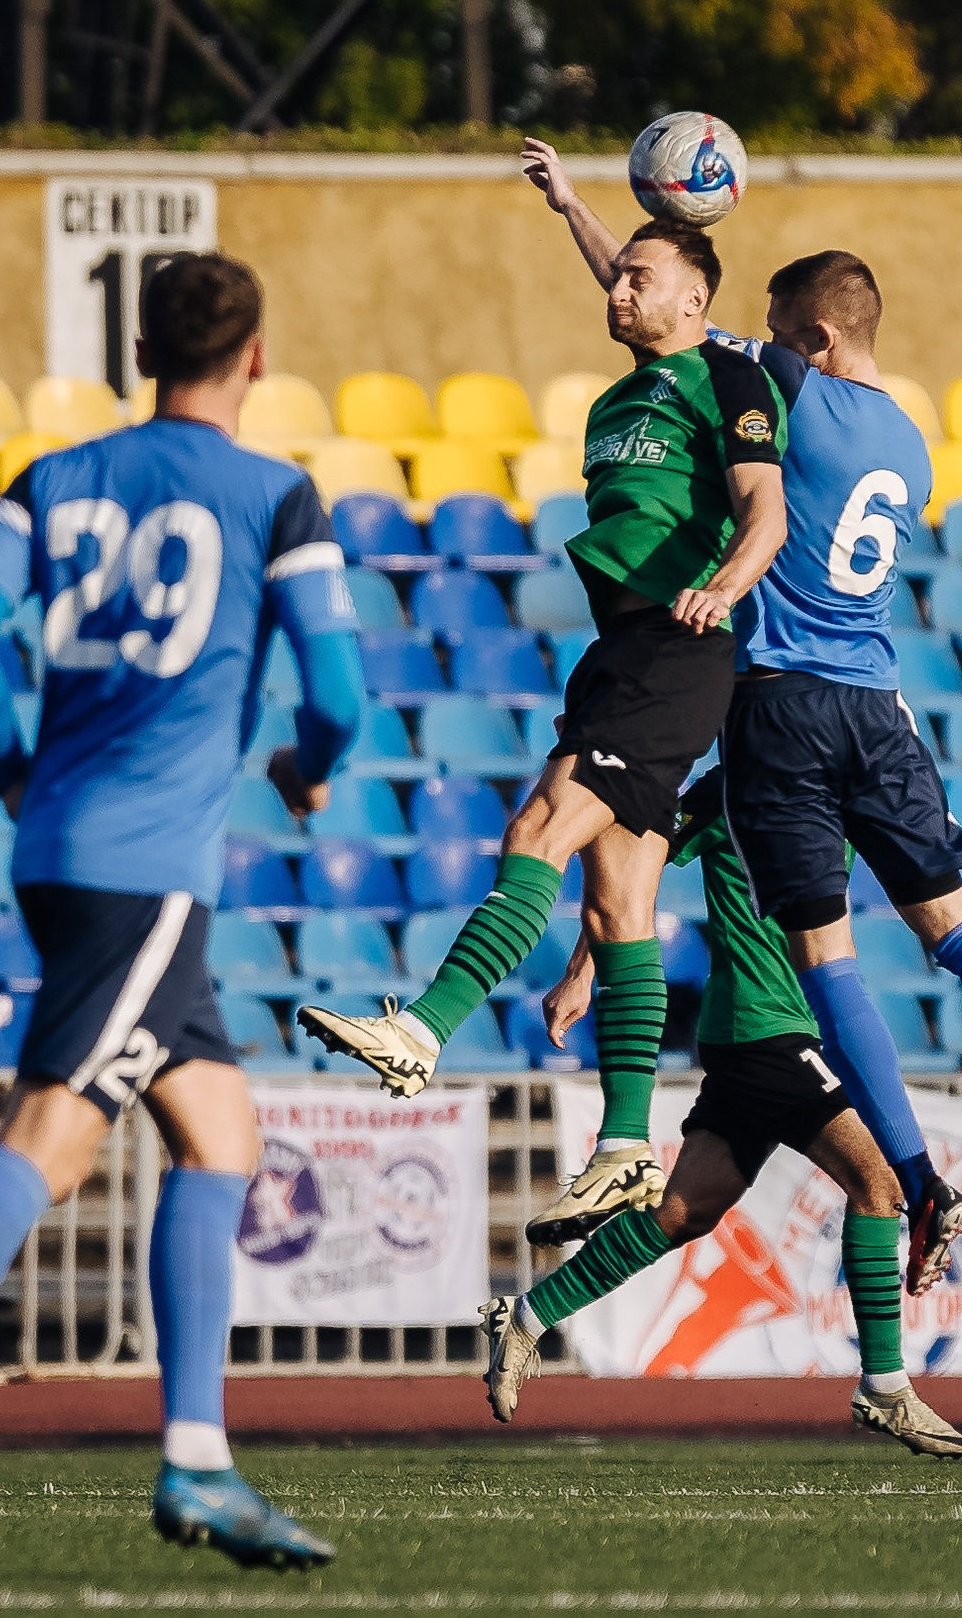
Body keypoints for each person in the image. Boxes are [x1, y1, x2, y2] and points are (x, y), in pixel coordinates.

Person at [0, 252, 366, 1584]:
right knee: (52, 1136)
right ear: (259, 356)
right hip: (149, 869)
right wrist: (302, 759)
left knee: (221, 1130)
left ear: (141, 353)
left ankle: (202, 1459)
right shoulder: (277, 494)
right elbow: (336, 688)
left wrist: (9, 763)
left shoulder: (50, 480)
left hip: (65, 844)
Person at [488, 139, 962, 1277]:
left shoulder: (789, 389)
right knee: (957, 927)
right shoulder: (911, 446)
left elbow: (664, 322)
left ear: (815, 341)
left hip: (782, 705)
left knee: (828, 961)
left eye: (782, 332)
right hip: (883, 708)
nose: (767, 348)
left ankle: (921, 1181)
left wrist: (578, 215)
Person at [300, 191, 790, 1250]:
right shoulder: (639, 379)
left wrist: (724, 586)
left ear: (697, 298)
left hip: (676, 643)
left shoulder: (728, 377)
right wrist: (570, 203)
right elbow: (631, 274)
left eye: (639, 277)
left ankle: (423, 1029)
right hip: (621, 650)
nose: (619, 287)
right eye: (615, 275)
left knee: (535, 832)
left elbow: (766, 511)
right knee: (619, 903)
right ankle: (623, 1144)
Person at [480, 768, 962, 1458]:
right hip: (768, 1027)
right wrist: (585, 970)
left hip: (768, 1030)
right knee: (879, 1183)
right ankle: (885, 1384)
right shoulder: (726, 791)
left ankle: (529, 1315)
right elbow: (630, 872)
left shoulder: (844, 784)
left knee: (683, 1211)